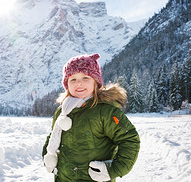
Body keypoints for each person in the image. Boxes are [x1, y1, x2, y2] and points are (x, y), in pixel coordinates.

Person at [42, 53, 140, 182]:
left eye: (85, 77)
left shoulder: (105, 111)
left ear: (96, 82)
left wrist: (113, 169)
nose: (79, 83)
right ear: (67, 84)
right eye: (73, 79)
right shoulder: (63, 110)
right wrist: (47, 157)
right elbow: (53, 136)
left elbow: (129, 140)